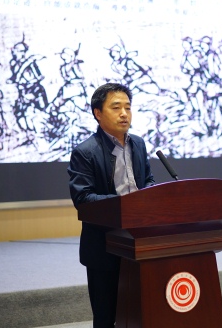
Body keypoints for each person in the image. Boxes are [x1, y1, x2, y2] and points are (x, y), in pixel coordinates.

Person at [68, 83, 155, 328]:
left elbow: (147, 180)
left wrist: (150, 196)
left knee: (141, 312)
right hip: (104, 245)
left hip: (140, 241)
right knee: (106, 318)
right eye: (116, 107)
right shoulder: (85, 152)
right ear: (98, 113)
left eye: (128, 107)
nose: (124, 113)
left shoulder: (138, 144)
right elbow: (83, 200)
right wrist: (126, 205)